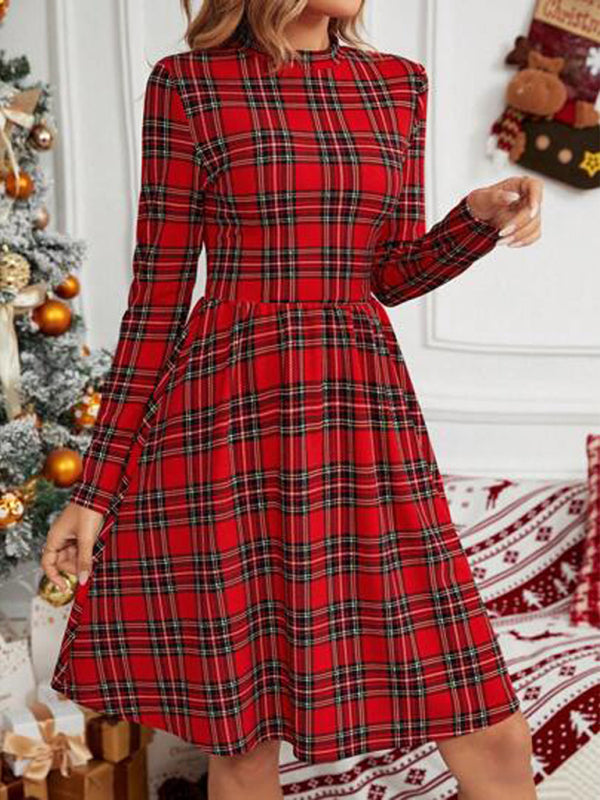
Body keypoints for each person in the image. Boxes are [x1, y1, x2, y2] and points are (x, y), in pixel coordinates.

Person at [42, 1, 542, 798]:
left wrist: (474, 221)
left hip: (359, 412)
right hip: (227, 418)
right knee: (243, 737)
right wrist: (94, 492)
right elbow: (158, 301)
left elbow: (388, 274)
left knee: (490, 726)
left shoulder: (396, 85)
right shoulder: (189, 84)